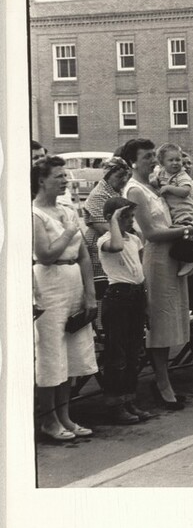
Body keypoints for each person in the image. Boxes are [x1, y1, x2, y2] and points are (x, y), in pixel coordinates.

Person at [121, 138, 193, 410]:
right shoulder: (135, 191)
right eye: (147, 157)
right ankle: (162, 384)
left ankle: (165, 380)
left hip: (170, 256)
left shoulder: (152, 186)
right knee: (160, 324)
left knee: (169, 321)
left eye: (154, 155)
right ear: (133, 162)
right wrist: (185, 231)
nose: (153, 161)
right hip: (156, 259)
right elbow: (150, 233)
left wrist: (182, 227)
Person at [32, 156, 98, 441]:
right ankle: (48, 420)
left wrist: (90, 294)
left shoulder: (68, 209)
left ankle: (65, 417)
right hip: (49, 285)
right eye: (58, 176)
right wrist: (70, 231)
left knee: (71, 353)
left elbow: (83, 254)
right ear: (41, 180)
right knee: (51, 354)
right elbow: (45, 254)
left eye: (65, 176)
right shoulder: (34, 214)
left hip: (73, 284)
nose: (64, 180)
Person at [97, 196, 152, 423]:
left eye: (131, 216)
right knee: (117, 354)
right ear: (111, 219)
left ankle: (129, 399)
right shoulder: (105, 240)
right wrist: (114, 220)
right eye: (125, 217)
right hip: (118, 296)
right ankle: (115, 404)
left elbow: (141, 270)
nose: (130, 220)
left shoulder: (134, 239)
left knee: (133, 352)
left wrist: (146, 303)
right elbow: (117, 246)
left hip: (135, 295)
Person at [82, 156, 132, 297]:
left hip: (115, 241)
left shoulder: (116, 191)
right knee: (102, 288)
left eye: (126, 176)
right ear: (107, 175)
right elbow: (103, 227)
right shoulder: (99, 194)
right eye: (119, 176)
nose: (124, 180)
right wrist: (129, 236)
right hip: (99, 244)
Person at [152, 143, 193, 277]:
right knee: (178, 238)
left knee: (180, 237)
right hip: (174, 212)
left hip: (184, 211)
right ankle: (187, 261)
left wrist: (169, 188)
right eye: (171, 160)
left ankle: (192, 261)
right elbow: (155, 183)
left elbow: (186, 191)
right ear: (162, 163)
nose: (175, 163)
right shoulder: (162, 174)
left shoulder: (181, 175)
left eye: (178, 160)